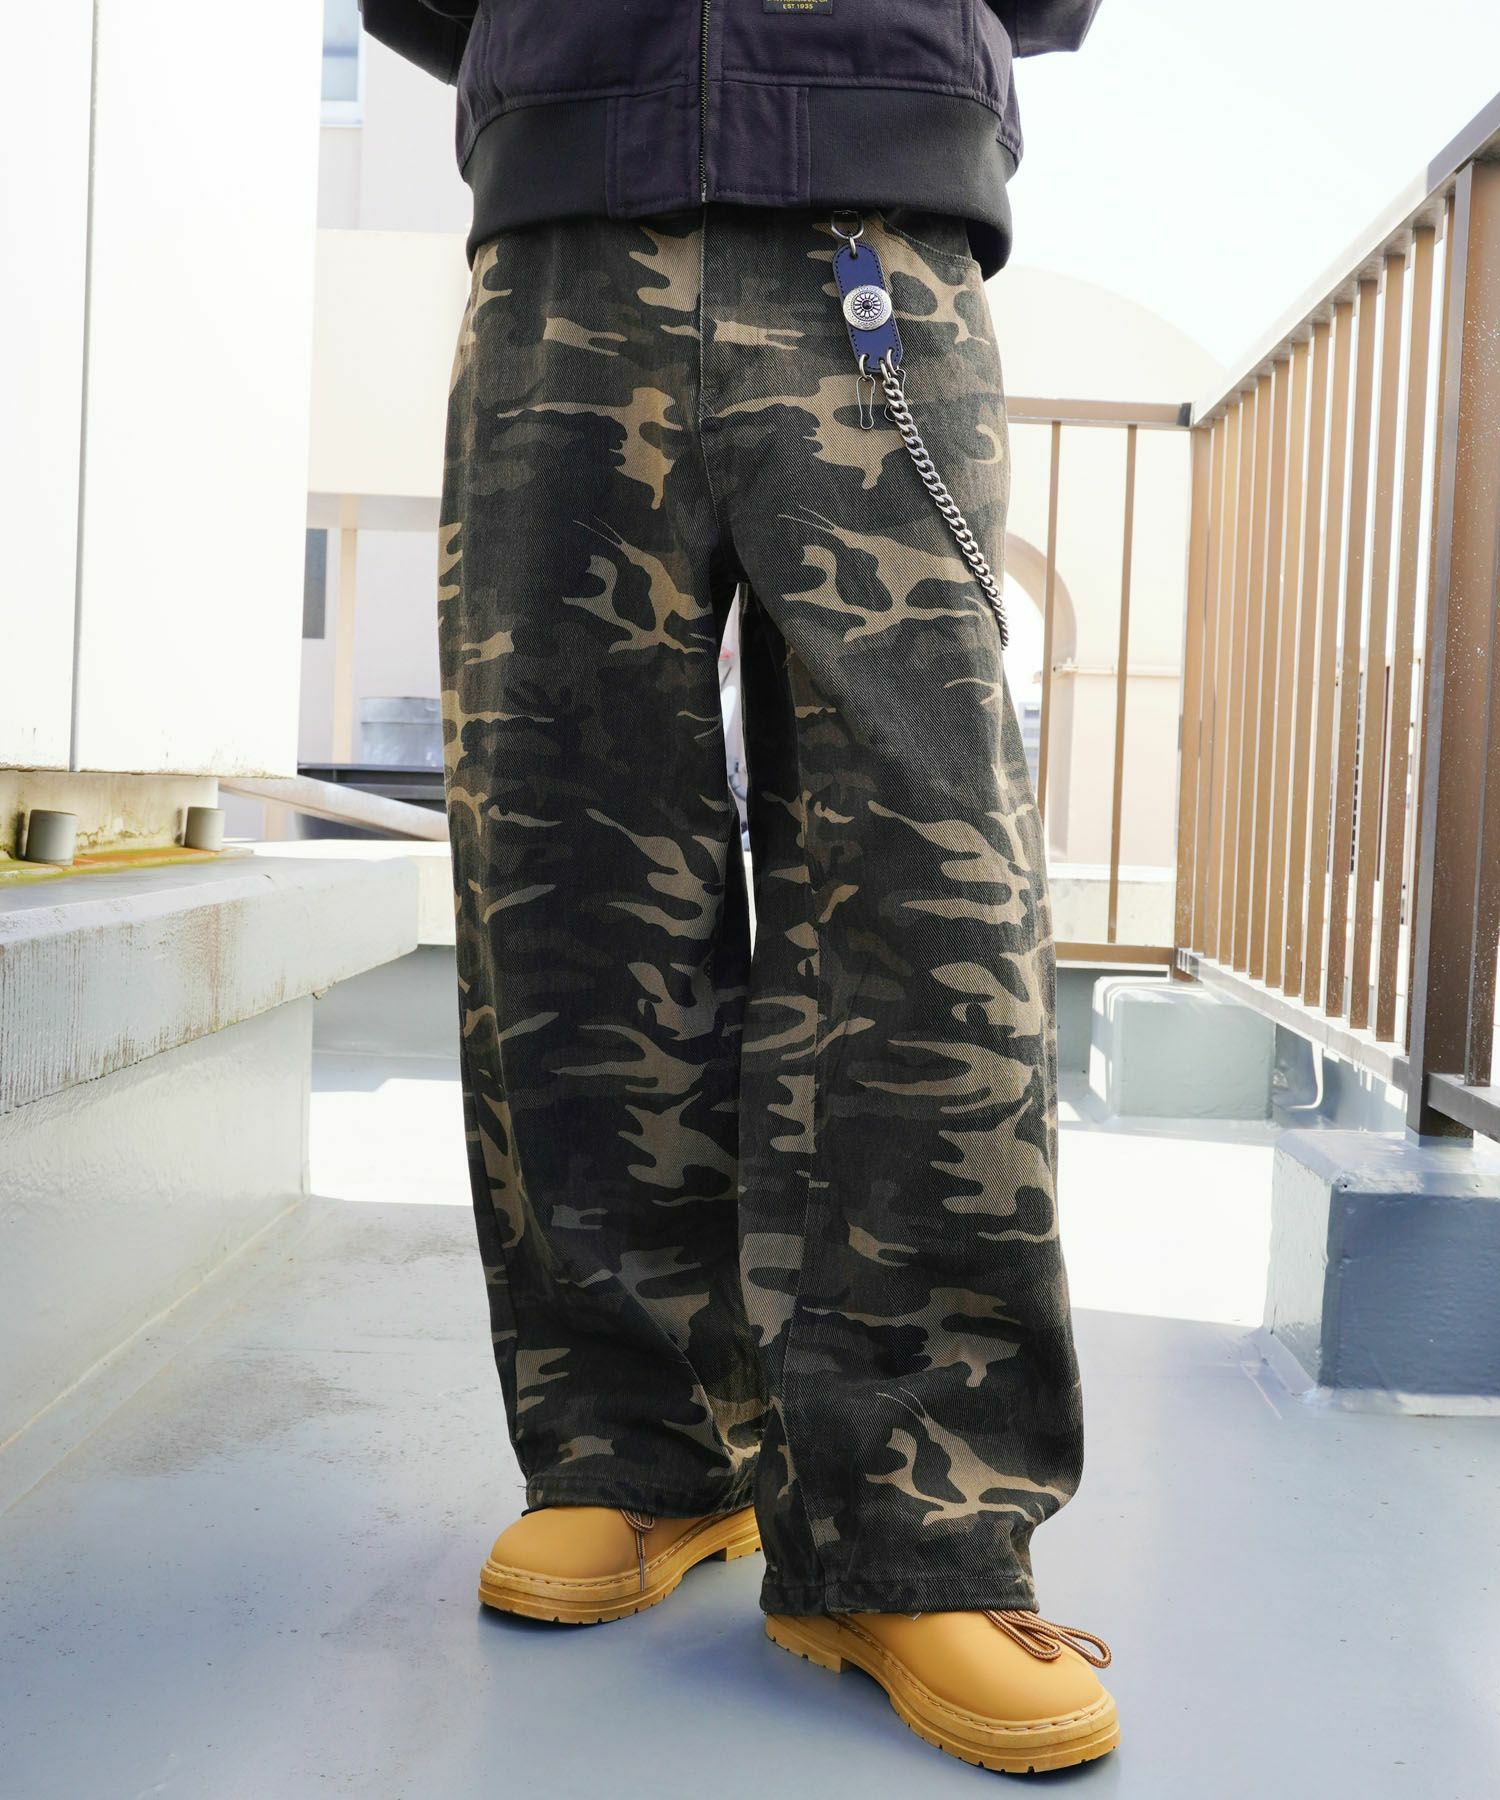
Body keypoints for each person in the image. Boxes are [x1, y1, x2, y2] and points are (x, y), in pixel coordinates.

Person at [362, 0, 1116, 1774]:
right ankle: (637, 1450)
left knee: (922, 879)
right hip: (563, 219)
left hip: (872, 220)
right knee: (562, 863)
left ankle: (915, 1526)